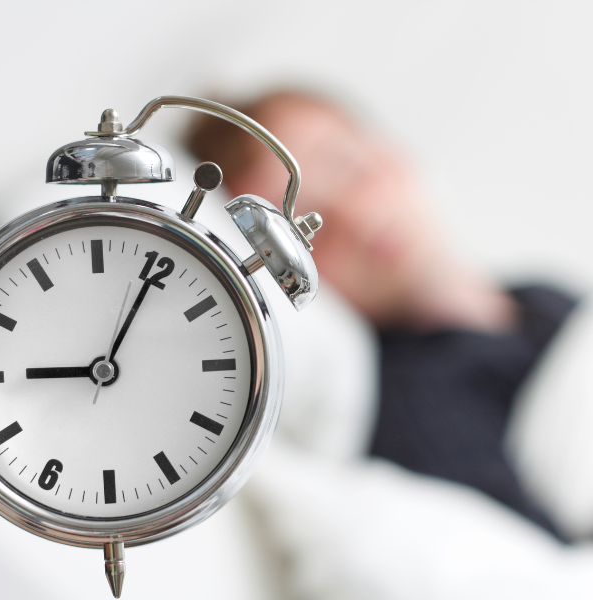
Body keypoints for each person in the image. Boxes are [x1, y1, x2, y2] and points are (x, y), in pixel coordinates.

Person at [185, 90, 576, 537]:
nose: (359, 217)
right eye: (310, 231)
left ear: (394, 152)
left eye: (350, 169)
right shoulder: (419, 417)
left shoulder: (546, 299)